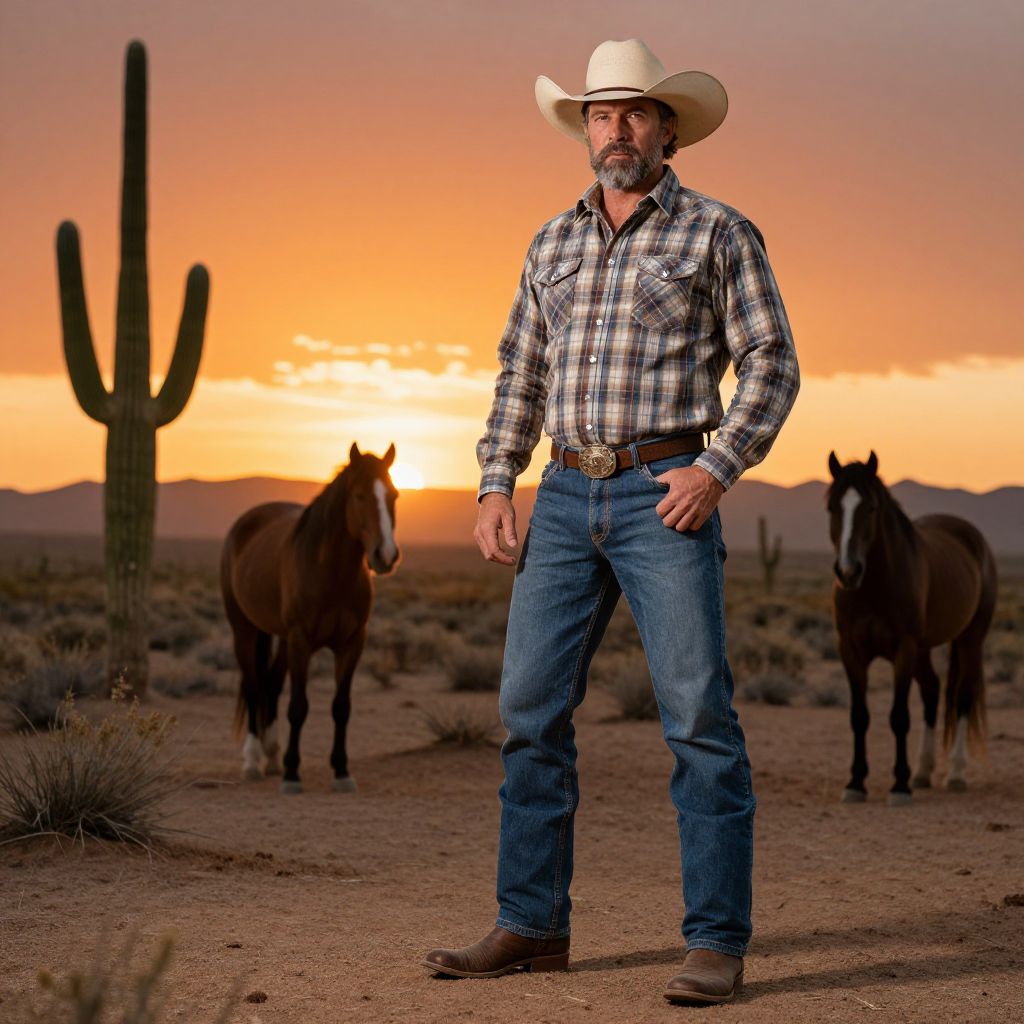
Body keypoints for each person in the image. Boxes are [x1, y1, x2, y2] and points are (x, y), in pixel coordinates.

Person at [423, 38, 800, 1006]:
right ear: (582, 128)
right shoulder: (548, 242)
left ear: (668, 129)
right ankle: (530, 925)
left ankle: (714, 941)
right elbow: (522, 373)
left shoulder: (718, 232)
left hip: (662, 492)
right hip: (559, 497)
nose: (616, 130)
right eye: (600, 114)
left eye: (635, 113)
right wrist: (495, 480)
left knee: (697, 722)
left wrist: (715, 468)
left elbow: (770, 363)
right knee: (527, 715)